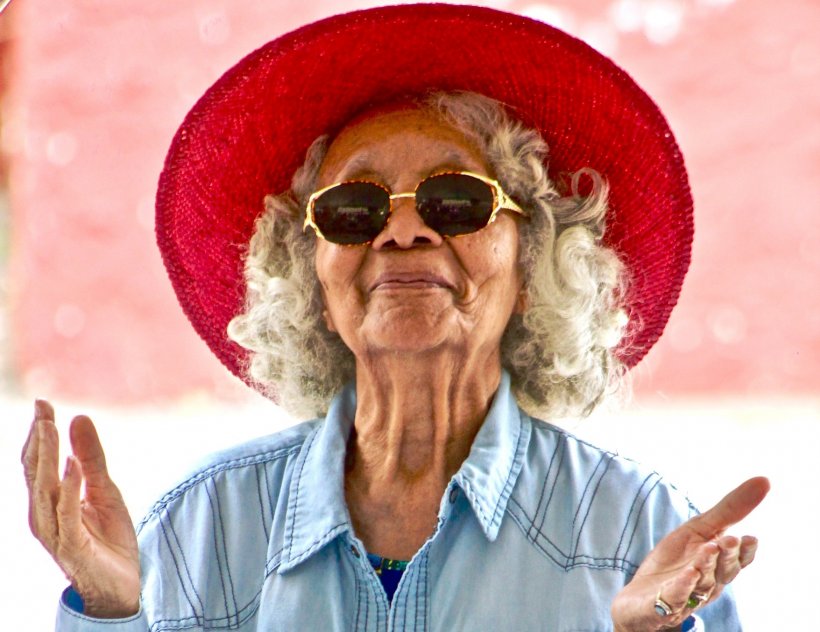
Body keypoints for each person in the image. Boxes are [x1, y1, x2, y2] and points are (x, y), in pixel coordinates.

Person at [22, 5, 769, 631]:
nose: (402, 232)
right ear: (312, 276)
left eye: (456, 202)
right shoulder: (205, 528)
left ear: (534, 262)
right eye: (355, 209)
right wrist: (110, 613)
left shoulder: (639, 535)